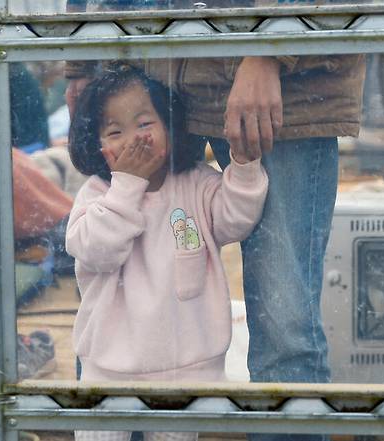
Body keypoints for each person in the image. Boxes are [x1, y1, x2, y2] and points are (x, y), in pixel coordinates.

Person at [65, 65, 268, 441]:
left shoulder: (196, 183)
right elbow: (97, 250)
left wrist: (243, 164)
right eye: (115, 132)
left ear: (170, 129)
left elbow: (235, 220)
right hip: (107, 373)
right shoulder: (97, 194)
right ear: (98, 146)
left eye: (144, 124)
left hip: (185, 372)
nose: (133, 141)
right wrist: (127, 185)